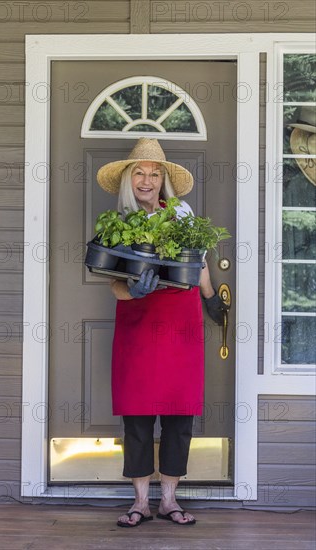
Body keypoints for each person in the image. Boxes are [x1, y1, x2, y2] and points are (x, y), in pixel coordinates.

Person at [96, 137, 227, 527]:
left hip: (181, 323)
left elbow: (198, 262)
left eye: (154, 173)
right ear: (127, 179)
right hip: (137, 323)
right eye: (139, 172)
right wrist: (131, 291)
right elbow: (113, 284)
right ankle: (139, 502)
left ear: (163, 180)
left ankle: (169, 499)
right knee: (136, 414)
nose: (147, 180)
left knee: (179, 413)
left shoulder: (182, 213)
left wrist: (210, 300)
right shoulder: (117, 224)